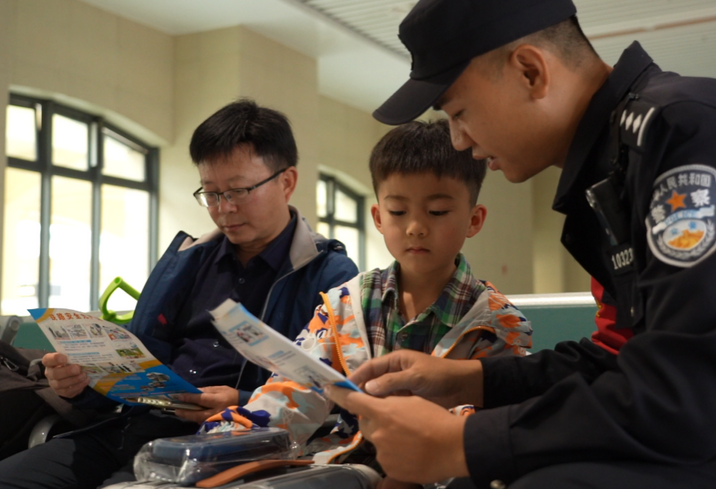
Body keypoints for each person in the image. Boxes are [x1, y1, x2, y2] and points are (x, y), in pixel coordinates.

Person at [325, 0, 716, 488]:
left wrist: (463, 442)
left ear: (529, 71)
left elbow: (684, 395)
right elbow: (628, 360)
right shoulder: (624, 161)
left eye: (460, 113)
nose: (460, 141)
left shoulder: (686, 140)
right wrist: (470, 381)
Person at [0, 99, 358, 489]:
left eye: (238, 191)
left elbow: (340, 396)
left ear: (286, 181)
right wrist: (83, 383)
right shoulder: (186, 260)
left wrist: (244, 401)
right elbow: (138, 365)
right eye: (211, 193)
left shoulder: (330, 275)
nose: (224, 209)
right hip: (127, 429)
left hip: (226, 446)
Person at [201, 120, 532, 486]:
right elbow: (294, 389)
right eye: (398, 212)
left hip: (440, 472)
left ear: (474, 219)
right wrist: (230, 441)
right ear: (377, 217)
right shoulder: (346, 304)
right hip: (343, 464)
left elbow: (486, 428)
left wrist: (409, 475)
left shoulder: (499, 324)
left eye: (437, 212)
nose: (416, 227)